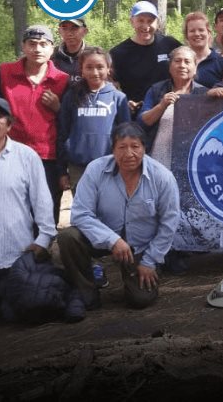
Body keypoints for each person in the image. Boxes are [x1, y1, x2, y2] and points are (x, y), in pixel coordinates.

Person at [57, 122, 181, 310]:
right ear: (112, 149)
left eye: (135, 146)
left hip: (141, 245)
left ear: (144, 148)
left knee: (141, 299)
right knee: (68, 237)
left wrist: (149, 261)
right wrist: (112, 240)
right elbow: (81, 214)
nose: (129, 153)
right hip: (104, 237)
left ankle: (139, 273)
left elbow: (169, 223)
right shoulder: (95, 170)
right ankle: (87, 291)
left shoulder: (162, 177)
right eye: (122, 147)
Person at [0, 96, 57, 324]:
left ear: (9, 125)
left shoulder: (26, 156)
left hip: (16, 255)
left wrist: (42, 241)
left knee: (19, 314)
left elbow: (43, 204)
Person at [0, 25, 69, 224]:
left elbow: (68, 123)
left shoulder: (62, 79)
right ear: (23, 46)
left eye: (43, 44)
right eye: (32, 44)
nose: (37, 49)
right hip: (9, 154)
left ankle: (42, 252)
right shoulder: (5, 72)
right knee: (10, 207)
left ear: (52, 48)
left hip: (47, 156)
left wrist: (58, 107)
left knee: (46, 207)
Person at [58, 47, 131, 194]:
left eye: (100, 67)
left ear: (108, 69)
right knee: (83, 213)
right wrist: (61, 170)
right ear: (82, 70)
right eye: (89, 67)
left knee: (109, 212)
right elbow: (62, 133)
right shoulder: (71, 96)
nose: (95, 72)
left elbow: (126, 136)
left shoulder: (118, 98)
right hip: (78, 167)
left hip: (111, 166)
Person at [110, 1, 182, 115]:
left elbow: (190, 61)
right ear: (132, 22)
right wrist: (124, 102)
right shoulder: (118, 53)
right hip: (136, 114)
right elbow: (109, 86)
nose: (146, 26)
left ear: (157, 23)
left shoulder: (169, 44)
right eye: (140, 20)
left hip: (170, 110)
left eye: (150, 21)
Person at [139, 46, 208, 166]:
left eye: (187, 62)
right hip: (159, 157)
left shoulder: (204, 93)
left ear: (195, 68)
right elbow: (143, 121)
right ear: (170, 67)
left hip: (193, 159)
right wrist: (162, 105)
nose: (182, 65)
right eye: (177, 61)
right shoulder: (156, 90)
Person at [184, 11, 223, 88]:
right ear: (186, 35)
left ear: (209, 33)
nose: (197, 34)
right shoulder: (180, 61)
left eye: (201, 30)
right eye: (192, 31)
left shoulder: (222, 62)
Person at [52, 18, 89, 83]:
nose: (69, 33)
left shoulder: (93, 56)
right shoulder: (51, 56)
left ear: (85, 31)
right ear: (59, 31)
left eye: (74, 28)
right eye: (64, 28)